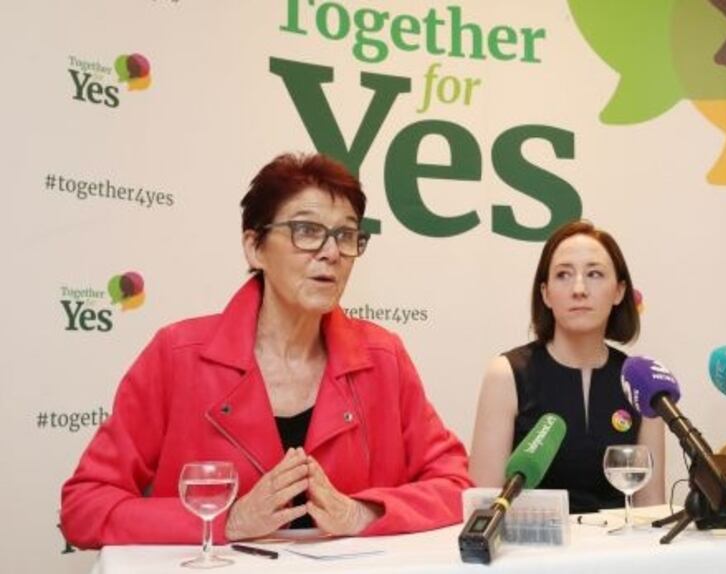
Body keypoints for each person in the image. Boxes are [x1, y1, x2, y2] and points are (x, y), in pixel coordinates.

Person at [61, 153, 471, 548]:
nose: (331, 252)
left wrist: (363, 513)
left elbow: (456, 485)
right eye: (306, 231)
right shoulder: (177, 355)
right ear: (255, 247)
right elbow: (84, 507)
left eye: (346, 235)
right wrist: (229, 521)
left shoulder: (383, 357)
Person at [468, 221, 665, 513]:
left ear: (619, 291)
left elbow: (651, 509)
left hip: (619, 555)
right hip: (530, 553)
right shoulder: (507, 374)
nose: (579, 289)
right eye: (563, 275)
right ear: (546, 293)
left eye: (595, 274)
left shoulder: (641, 382)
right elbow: (483, 508)